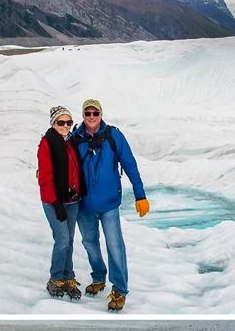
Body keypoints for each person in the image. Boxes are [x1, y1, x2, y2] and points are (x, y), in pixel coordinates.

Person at [72, 98, 150, 311]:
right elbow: (63, 164)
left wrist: (140, 195)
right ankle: (99, 277)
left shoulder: (114, 136)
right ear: (83, 115)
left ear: (101, 114)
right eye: (87, 113)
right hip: (84, 204)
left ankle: (120, 289)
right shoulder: (75, 138)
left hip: (109, 204)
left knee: (115, 245)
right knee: (89, 242)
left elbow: (130, 164)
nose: (91, 117)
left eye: (94, 113)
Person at [36, 105, 83, 300]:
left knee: (70, 241)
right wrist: (56, 204)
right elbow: (45, 179)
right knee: (62, 240)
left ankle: (68, 277)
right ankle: (55, 278)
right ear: (53, 123)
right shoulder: (47, 143)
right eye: (61, 122)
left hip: (72, 201)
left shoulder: (70, 141)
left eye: (68, 122)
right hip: (54, 201)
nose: (65, 126)